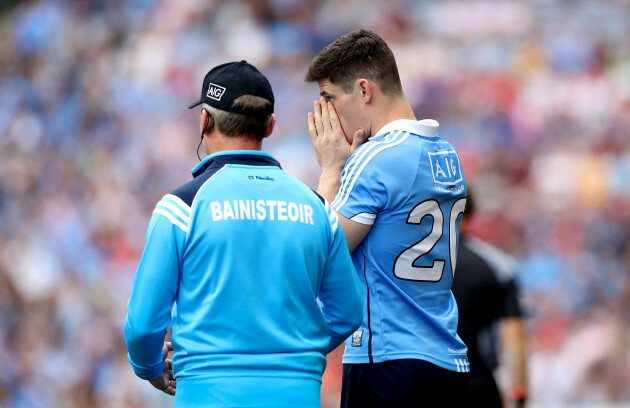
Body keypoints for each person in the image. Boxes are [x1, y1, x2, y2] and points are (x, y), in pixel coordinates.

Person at [124, 60, 363, 408]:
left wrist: (149, 368)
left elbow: (144, 326)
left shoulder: (180, 208)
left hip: (207, 394)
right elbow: (348, 312)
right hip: (297, 395)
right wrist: (292, 353)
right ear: (269, 126)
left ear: (204, 121)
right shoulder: (316, 208)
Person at [305, 29, 470, 407]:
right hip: (446, 359)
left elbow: (318, 252)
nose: (325, 113)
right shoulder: (448, 155)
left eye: (329, 98)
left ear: (364, 90)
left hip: (387, 359)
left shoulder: (376, 156)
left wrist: (331, 171)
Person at [451, 191, 528, 408]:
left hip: (426, 382)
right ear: (472, 213)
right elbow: (514, 336)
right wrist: (519, 393)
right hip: (478, 381)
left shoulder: (413, 263)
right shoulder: (497, 265)